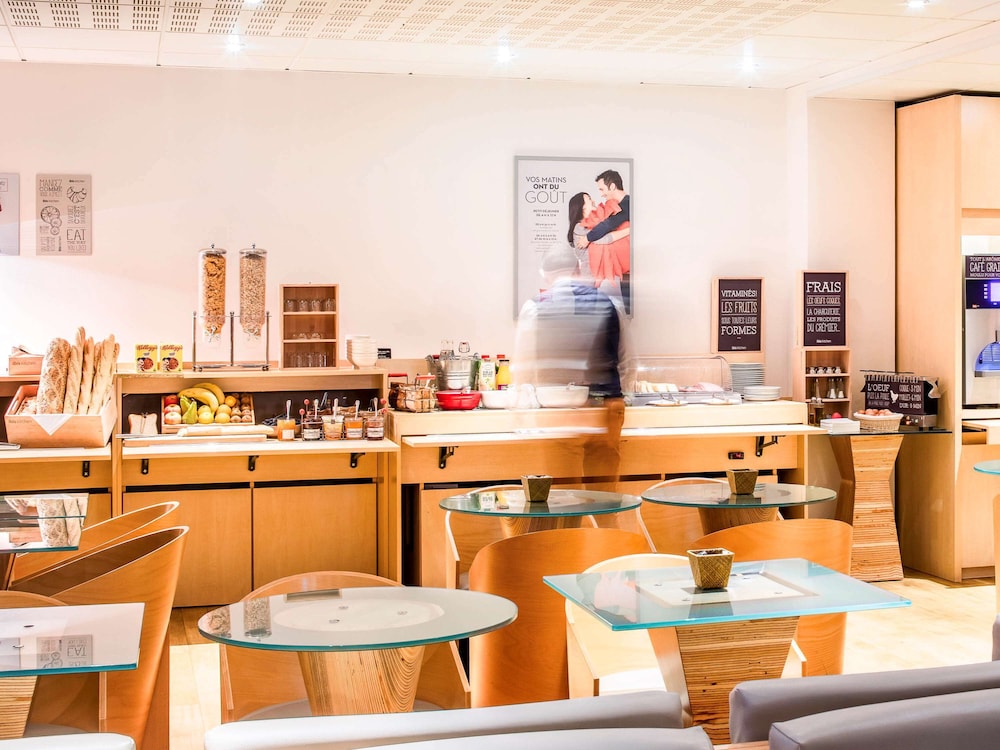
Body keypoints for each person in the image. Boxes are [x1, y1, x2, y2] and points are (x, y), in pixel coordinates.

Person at [514, 244, 629, 491]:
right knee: (605, 496)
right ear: (578, 268)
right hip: (605, 409)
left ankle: (569, 517)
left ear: (545, 275)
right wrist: (617, 398)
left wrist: (523, 410)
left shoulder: (534, 307)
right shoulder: (611, 304)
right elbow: (627, 362)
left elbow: (523, 367)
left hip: (559, 412)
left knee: (563, 497)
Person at [575, 169, 632, 313]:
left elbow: (608, 225)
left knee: (632, 310)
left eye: (602, 189)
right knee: (629, 311)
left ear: (612, 186)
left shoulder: (626, 205)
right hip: (625, 271)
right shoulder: (617, 205)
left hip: (633, 269)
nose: (601, 194)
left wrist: (588, 238)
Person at [567, 191, 630, 297]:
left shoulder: (593, 225)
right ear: (582, 207)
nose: (593, 200)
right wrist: (630, 230)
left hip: (591, 284)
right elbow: (605, 239)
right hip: (584, 285)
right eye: (588, 199)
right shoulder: (579, 227)